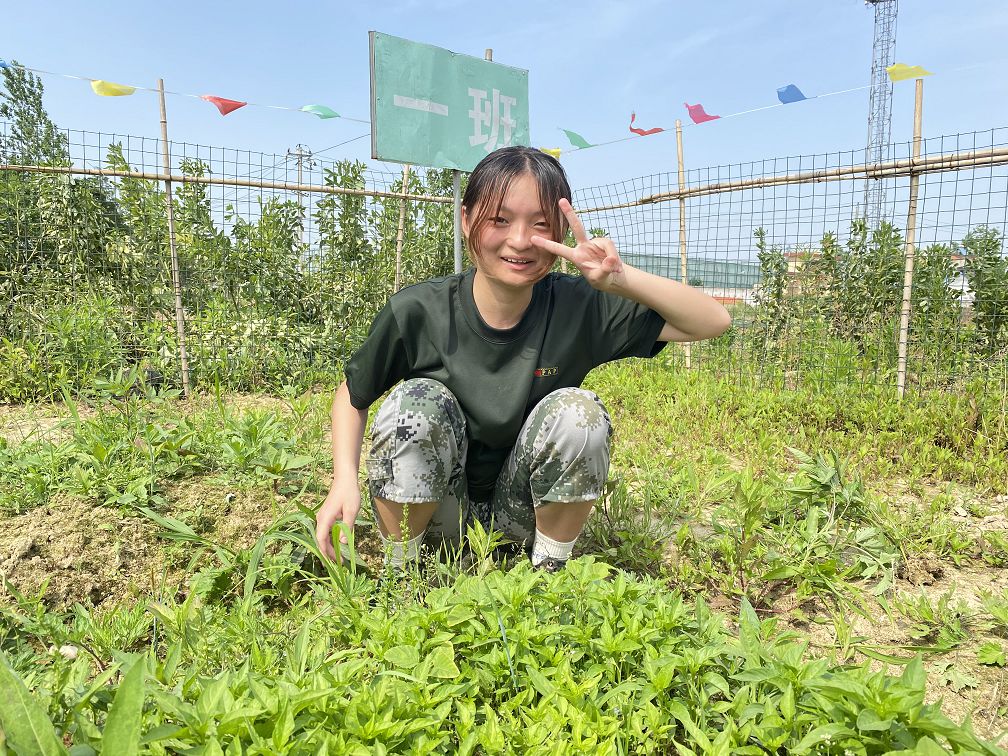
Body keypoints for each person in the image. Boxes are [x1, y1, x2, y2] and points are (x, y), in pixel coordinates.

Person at [315, 146, 730, 572]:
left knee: (578, 413)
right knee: (415, 403)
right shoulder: (419, 311)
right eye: (499, 219)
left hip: (520, 516)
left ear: (561, 236)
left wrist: (621, 279)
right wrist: (343, 477)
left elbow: (711, 321)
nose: (518, 241)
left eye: (541, 225)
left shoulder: (579, 306)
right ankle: (402, 577)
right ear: (465, 219)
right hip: (442, 516)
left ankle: (545, 573)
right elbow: (353, 394)